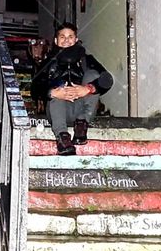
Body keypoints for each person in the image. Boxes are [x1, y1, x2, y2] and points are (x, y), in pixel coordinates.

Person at [31, 22, 114, 155]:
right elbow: (34, 89)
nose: (66, 40)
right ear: (56, 41)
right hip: (59, 110)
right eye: (62, 37)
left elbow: (107, 79)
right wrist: (52, 92)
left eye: (70, 36)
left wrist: (88, 89)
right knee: (55, 85)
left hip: (81, 110)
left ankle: (81, 126)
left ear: (75, 40)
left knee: (93, 74)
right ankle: (63, 138)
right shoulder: (48, 63)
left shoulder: (86, 59)